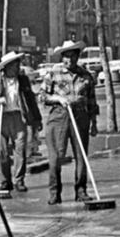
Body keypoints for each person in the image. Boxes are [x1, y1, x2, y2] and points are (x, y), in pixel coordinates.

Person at [38, 40, 99, 205]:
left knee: (81, 155)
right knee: (56, 156)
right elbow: (42, 96)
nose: (69, 60)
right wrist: (57, 98)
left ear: (78, 57)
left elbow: (92, 101)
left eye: (73, 56)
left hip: (80, 116)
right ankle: (54, 192)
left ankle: (81, 190)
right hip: (59, 116)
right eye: (66, 57)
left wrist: (94, 122)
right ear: (62, 57)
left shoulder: (85, 75)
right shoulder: (53, 72)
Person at [0, 51, 42, 193]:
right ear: (7, 66)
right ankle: (4, 181)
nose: (17, 68)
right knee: (1, 152)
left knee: (20, 149)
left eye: (18, 64)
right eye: (15, 65)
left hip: (18, 117)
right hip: (0, 118)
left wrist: (37, 119)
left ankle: (19, 180)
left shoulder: (22, 80)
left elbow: (31, 100)